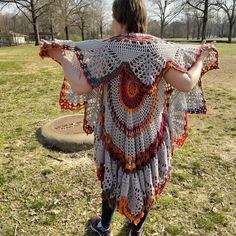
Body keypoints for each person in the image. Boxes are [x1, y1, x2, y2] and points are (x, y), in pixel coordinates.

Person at [39, 0, 219, 235]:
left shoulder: (105, 49)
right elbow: (186, 83)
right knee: (146, 182)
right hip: (150, 135)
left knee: (112, 179)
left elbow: (81, 85)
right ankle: (137, 229)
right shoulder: (159, 49)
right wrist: (201, 59)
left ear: (118, 17)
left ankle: (104, 226)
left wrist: (61, 57)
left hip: (114, 132)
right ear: (142, 18)